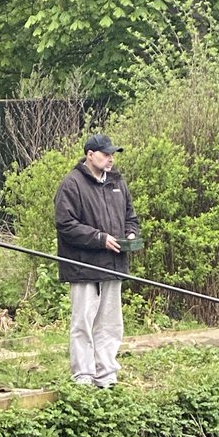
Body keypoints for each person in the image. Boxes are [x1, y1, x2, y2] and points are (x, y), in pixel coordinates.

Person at [54, 132, 140, 388]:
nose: (110, 159)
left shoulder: (118, 183)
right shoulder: (72, 184)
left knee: (110, 324)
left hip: (115, 265)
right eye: (105, 154)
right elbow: (65, 224)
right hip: (84, 267)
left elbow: (130, 217)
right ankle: (83, 375)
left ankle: (106, 374)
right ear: (90, 155)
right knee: (83, 323)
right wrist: (100, 238)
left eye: (112, 154)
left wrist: (131, 233)